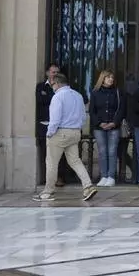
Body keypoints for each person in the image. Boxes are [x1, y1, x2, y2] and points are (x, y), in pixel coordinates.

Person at [36, 72, 98, 202]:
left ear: (57, 83)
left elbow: (55, 119)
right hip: (75, 132)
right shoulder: (78, 95)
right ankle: (88, 186)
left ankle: (48, 192)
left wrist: (49, 133)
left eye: (52, 84)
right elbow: (83, 117)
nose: (52, 87)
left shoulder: (58, 97)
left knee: (52, 163)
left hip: (60, 132)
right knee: (75, 161)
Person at [88, 70, 124, 187]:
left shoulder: (117, 92)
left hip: (114, 127)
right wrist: (100, 123)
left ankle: (111, 176)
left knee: (112, 151)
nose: (111, 79)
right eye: (108, 77)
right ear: (102, 79)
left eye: (112, 77)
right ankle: (103, 176)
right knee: (102, 151)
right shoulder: (95, 92)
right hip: (99, 127)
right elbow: (92, 111)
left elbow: (121, 109)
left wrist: (114, 122)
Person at [35, 63, 62, 189]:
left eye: (57, 72)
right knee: (46, 154)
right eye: (53, 72)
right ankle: (48, 179)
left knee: (59, 154)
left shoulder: (61, 88)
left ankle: (59, 177)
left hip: (58, 125)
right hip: (44, 125)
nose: (55, 74)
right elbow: (40, 101)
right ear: (47, 73)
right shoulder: (40, 86)